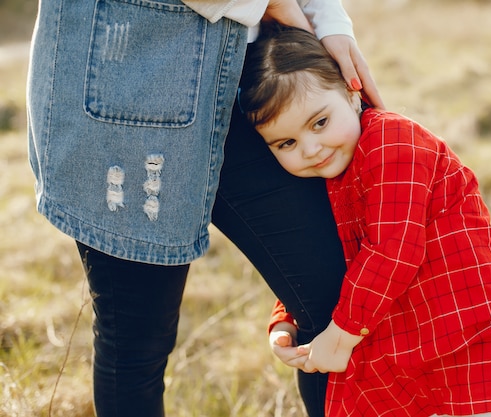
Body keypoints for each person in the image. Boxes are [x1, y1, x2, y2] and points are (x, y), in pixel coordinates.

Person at [26, 1, 382, 416]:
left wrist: (328, 22)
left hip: (263, 76)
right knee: (136, 343)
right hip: (128, 73)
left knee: (336, 303)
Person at [237, 24, 491, 417]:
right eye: (287, 143)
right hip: (413, 350)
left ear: (353, 93)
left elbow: (394, 249)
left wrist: (339, 337)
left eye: (319, 122)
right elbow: (326, 258)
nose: (312, 149)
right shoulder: (329, 172)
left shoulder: (392, 140)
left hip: (475, 338)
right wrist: (287, 319)